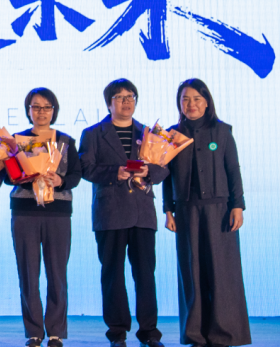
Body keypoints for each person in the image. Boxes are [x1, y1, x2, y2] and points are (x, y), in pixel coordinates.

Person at [79, 79, 168, 347]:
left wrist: (149, 171)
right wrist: (113, 173)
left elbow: (164, 167)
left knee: (145, 274)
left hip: (142, 213)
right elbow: (85, 168)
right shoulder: (93, 133)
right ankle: (117, 333)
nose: (126, 102)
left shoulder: (148, 133)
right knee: (113, 274)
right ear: (109, 103)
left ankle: (149, 332)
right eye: (120, 97)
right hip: (110, 212)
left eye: (131, 97)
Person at [162, 79, 251, 347]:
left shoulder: (222, 131)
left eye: (196, 99)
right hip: (186, 210)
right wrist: (168, 210)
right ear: (179, 103)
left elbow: (233, 169)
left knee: (222, 272)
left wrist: (238, 205)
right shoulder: (171, 135)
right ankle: (195, 335)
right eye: (185, 99)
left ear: (207, 102)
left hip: (220, 210)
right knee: (192, 271)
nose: (191, 104)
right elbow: (166, 176)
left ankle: (224, 334)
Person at [4, 88, 81, 347]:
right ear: (28, 110)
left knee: (57, 273)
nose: (41, 112)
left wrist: (60, 181)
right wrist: (24, 176)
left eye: (47, 107)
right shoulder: (17, 141)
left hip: (58, 212)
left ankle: (56, 331)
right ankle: (34, 331)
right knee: (28, 273)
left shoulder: (66, 141)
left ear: (54, 111)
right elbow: (7, 176)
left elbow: (76, 175)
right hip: (25, 211)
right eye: (36, 107)